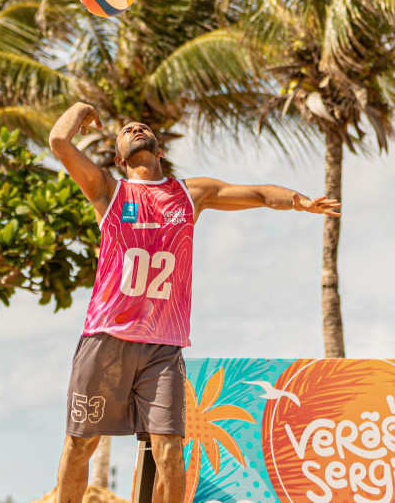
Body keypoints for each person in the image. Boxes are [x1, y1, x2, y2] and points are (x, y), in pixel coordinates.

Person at [48, 102, 341, 503]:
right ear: (118, 158)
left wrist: (298, 200)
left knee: (170, 450)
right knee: (80, 445)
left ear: (160, 150)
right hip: (106, 337)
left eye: (142, 126)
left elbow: (255, 193)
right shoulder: (109, 190)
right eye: (127, 130)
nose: (135, 128)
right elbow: (59, 141)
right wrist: (82, 107)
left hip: (163, 345)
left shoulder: (189, 194)